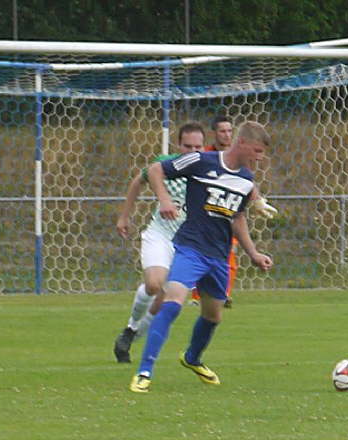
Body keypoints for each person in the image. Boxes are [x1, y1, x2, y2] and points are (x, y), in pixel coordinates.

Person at [130, 121, 273, 393]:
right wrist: (164, 200)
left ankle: (192, 358)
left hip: (218, 256)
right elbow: (155, 169)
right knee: (173, 301)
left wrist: (253, 252)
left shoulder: (246, 180)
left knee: (213, 316)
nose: (259, 157)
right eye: (256, 150)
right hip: (191, 247)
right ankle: (144, 370)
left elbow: (237, 217)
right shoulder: (201, 160)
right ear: (241, 143)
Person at [113, 122, 206, 363]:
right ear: (178, 145)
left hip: (188, 244)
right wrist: (125, 216)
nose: (193, 152)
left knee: (167, 300)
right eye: (188, 146)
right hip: (161, 235)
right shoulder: (167, 164)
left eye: (198, 147)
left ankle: (130, 336)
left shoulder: (210, 170)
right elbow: (138, 181)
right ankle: (132, 325)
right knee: (155, 285)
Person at [191, 116, 276, 308]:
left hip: (228, 211)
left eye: (230, 131)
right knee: (198, 254)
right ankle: (197, 295)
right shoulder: (206, 156)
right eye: (222, 131)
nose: (226, 135)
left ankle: (222, 294)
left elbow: (245, 181)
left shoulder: (242, 159)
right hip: (203, 213)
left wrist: (258, 201)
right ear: (214, 134)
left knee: (229, 249)